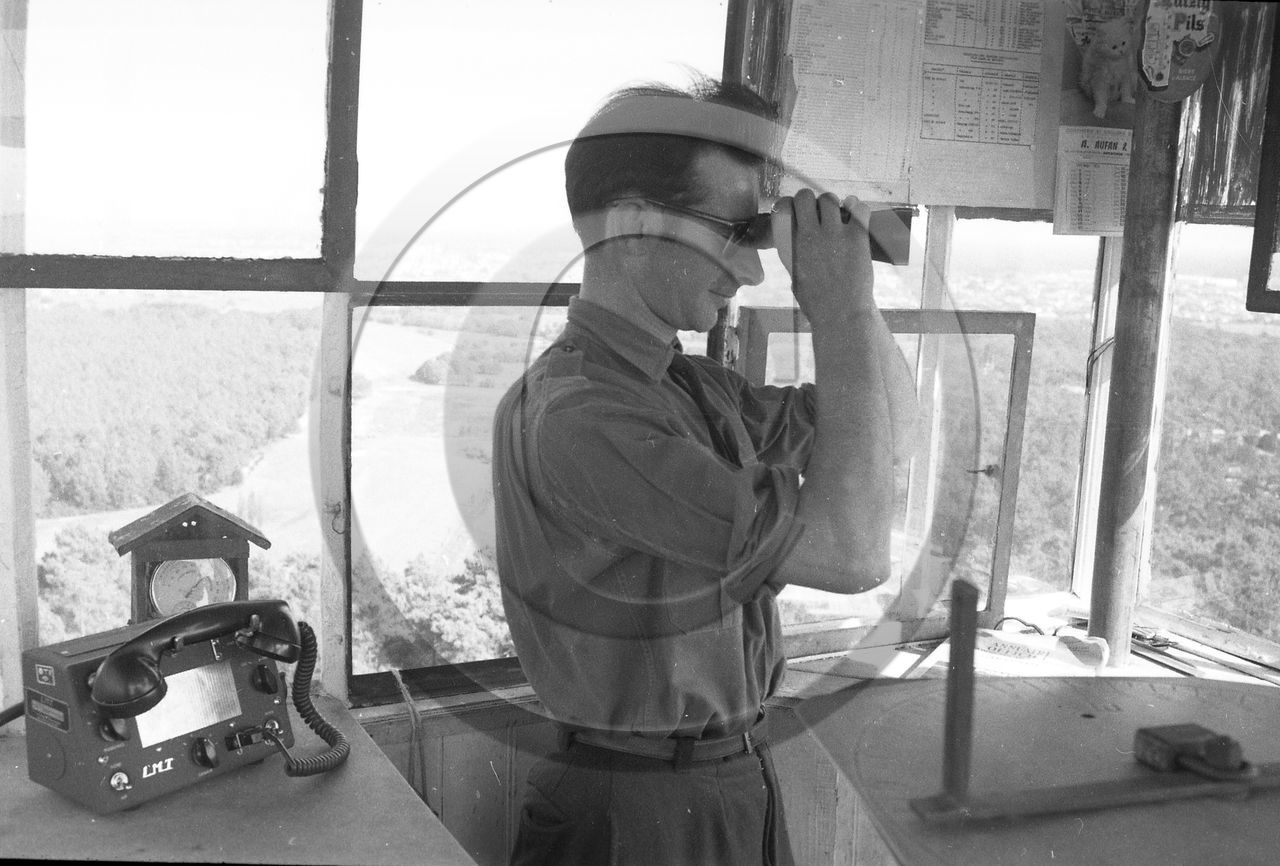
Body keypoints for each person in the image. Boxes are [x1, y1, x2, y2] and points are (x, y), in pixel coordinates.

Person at [491, 77, 917, 866]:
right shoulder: (583, 419)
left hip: (726, 777)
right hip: (638, 809)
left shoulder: (687, 389)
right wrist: (839, 311)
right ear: (629, 224)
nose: (752, 272)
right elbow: (852, 554)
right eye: (731, 229)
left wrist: (850, 282)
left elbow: (890, 437)